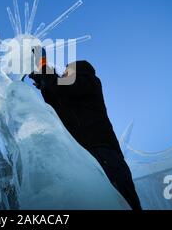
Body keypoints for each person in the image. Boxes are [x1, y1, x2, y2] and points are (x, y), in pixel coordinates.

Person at [29, 60, 142, 210]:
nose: (63, 74)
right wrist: (43, 83)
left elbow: (62, 87)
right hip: (84, 153)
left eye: (66, 71)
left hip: (102, 152)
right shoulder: (72, 93)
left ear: (78, 71)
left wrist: (44, 67)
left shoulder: (90, 81)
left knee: (121, 199)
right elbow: (55, 101)